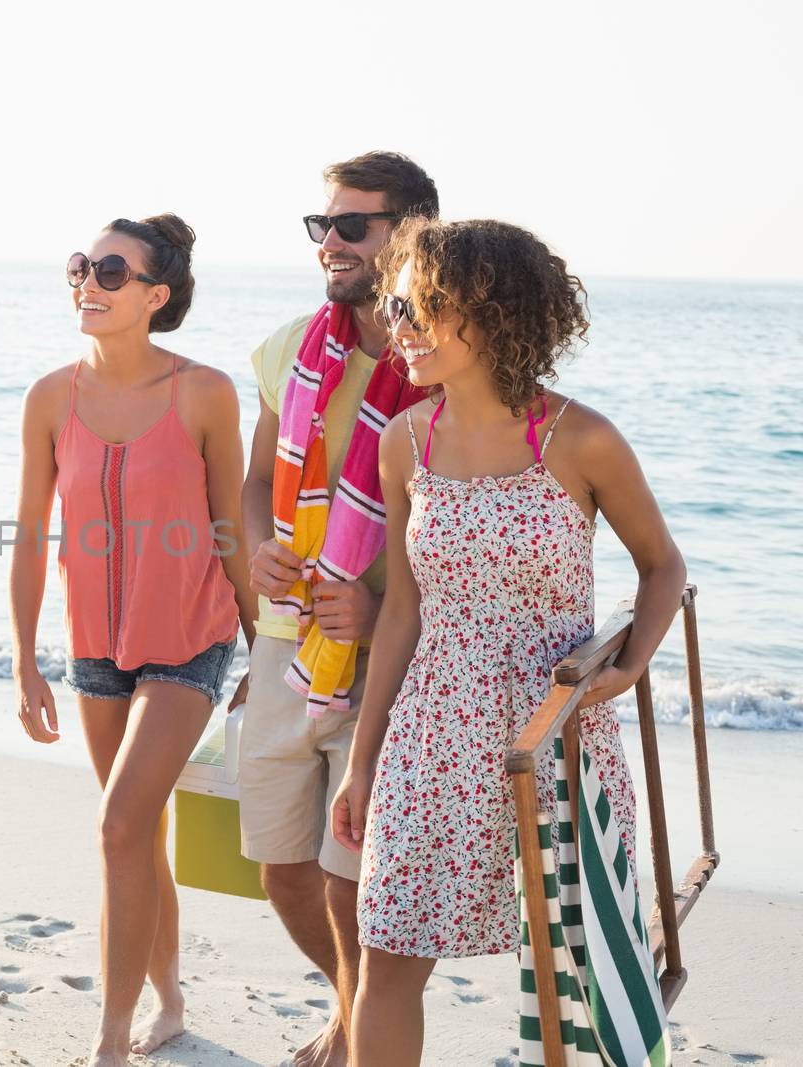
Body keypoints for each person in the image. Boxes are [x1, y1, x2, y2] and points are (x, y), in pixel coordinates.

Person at [330, 218, 686, 1065]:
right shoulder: (404, 439)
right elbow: (404, 614)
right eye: (395, 306)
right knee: (388, 952)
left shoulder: (581, 439)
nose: (400, 327)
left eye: (421, 308)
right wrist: (363, 757)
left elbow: (661, 566)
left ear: (488, 314)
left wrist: (630, 667)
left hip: (555, 734)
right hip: (432, 734)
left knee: (582, 962)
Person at [11, 215, 256, 1066]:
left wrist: (265, 653)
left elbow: (232, 525)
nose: (89, 282)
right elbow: (28, 538)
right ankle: (170, 999)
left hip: (190, 637)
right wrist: (22, 660)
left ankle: (111, 1043)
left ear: (157, 295)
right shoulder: (50, 397)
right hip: (93, 649)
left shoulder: (205, 393)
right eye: (83, 265)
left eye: (112, 271)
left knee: (119, 823)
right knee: (137, 833)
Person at [237, 151, 438, 1066]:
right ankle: (354, 1010)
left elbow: (458, 518)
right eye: (324, 225)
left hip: (389, 660)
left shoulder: (441, 359)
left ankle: (367, 1032)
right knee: (284, 871)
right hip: (287, 645)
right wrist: (256, 550)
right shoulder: (289, 349)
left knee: (355, 877)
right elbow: (250, 489)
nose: (333, 242)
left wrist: (382, 600)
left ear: (410, 233)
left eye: (354, 225)